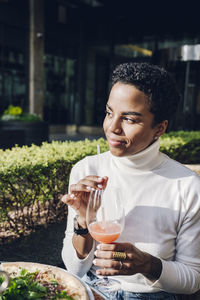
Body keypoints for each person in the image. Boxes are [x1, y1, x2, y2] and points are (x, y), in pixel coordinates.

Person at [61, 62, 200, 300]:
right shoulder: (87, 169)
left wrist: (148, 265)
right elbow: (74, 270)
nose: (112, 127)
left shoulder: (187, 186)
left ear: (159, 128)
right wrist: (83, 222)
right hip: (91, 289)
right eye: (109, 112)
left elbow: (193, 279)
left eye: (130, 119)